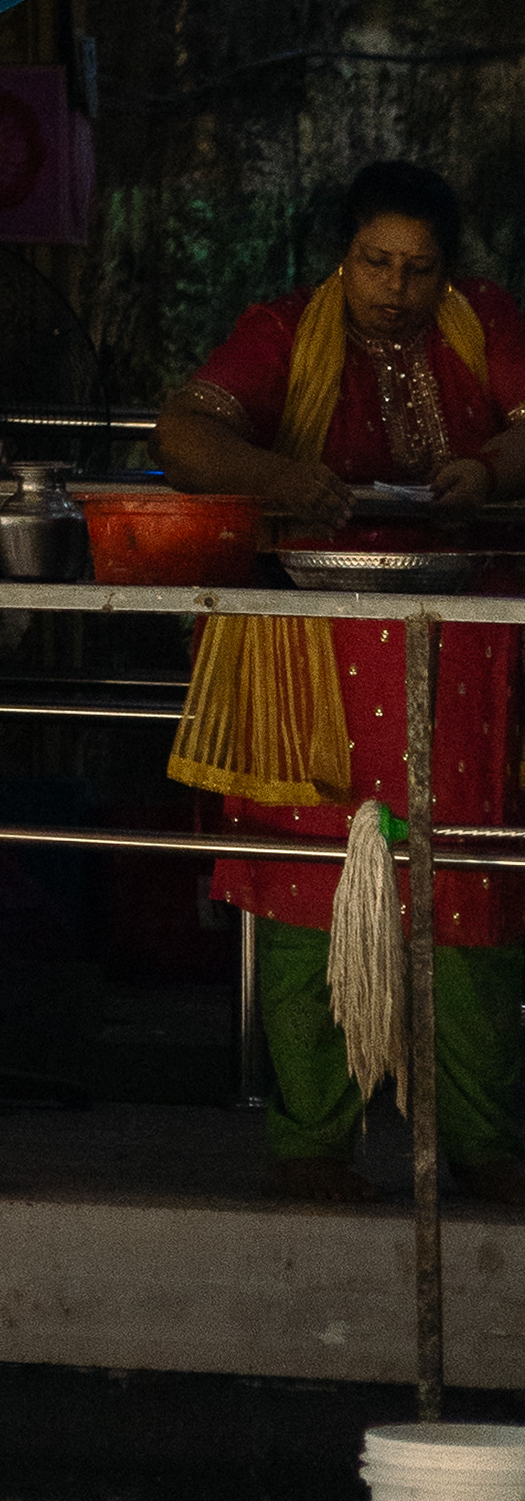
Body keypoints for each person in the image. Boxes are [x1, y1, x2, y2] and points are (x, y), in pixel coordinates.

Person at [157, 156, 525, 1199]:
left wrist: (488, 470)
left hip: (459, 649)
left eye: (419, 268)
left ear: (449, 271)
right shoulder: (282, 330)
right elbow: (183, 433)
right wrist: (281, 476)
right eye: (376, 262)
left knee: (470, 880)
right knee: (305, 879)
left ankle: (490, 1145)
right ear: (342, 256)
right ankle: (312, 1148)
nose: (395, 288)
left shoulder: (484, 321)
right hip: (307, 654)